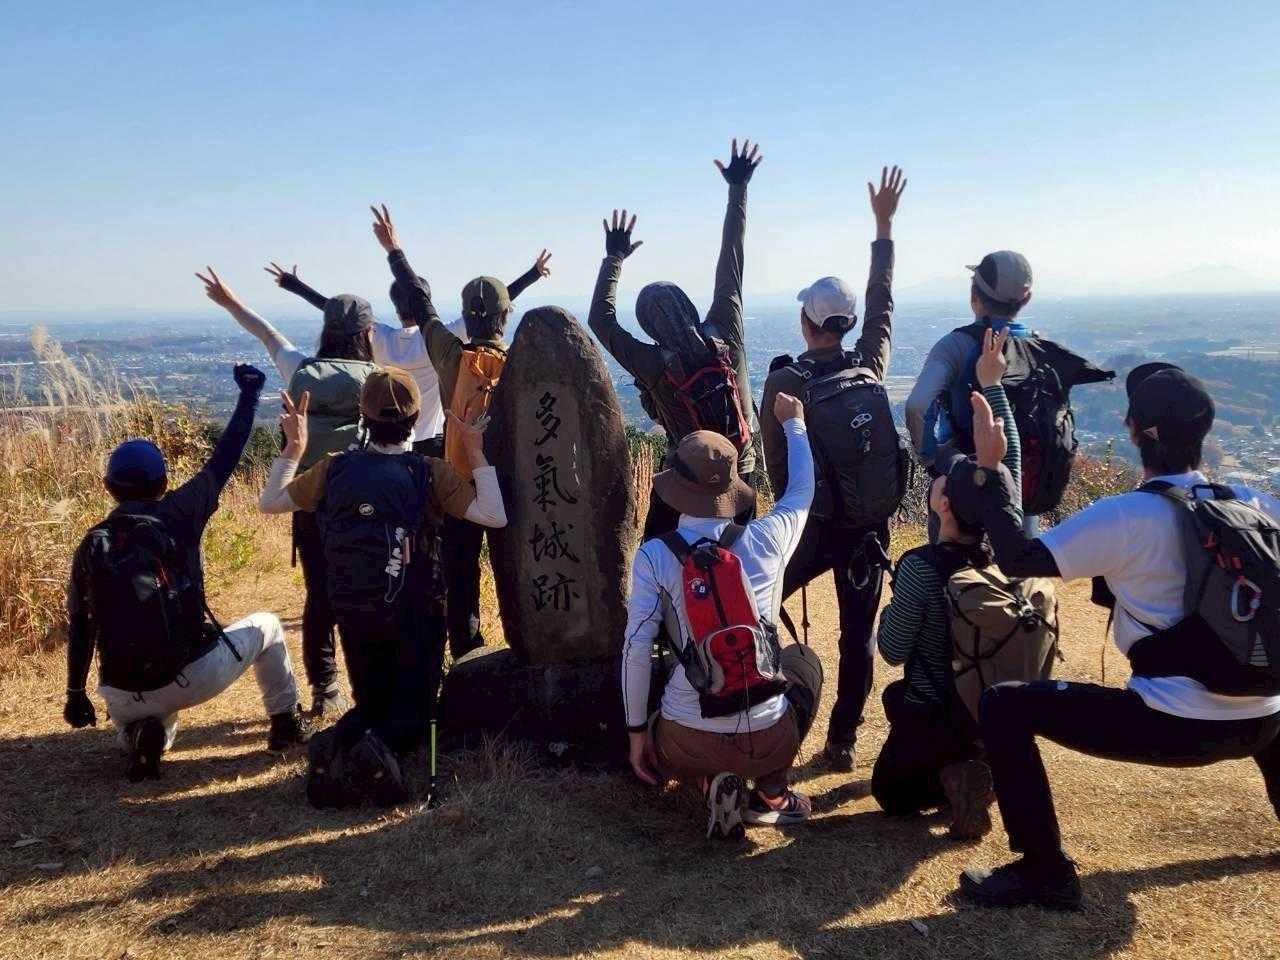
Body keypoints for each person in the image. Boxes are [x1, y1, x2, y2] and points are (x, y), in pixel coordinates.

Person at [952, 363, 1280, 910]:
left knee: (1004, 706)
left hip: (1175, 725)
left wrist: (993, 471)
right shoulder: (1257, 504)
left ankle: (1044, 872)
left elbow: (1020, 558)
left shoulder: (1128, 516)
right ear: (1204, 430)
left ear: (1134, 431)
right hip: (1266, 720)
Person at [259, 367, 507, 806]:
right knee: (415, 713)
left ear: (364, 416)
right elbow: (494, 516)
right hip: (416, 612)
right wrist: (474, 451)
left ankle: (334, 746)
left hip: (353, 611)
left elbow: (271, 502)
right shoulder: (429, 472)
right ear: (415, 419)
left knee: (371, 703)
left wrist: (295, 447)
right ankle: (377, 749)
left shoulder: (334, 468)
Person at [63, 364, 310, 782]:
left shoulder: (93, 543)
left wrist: (75, 694)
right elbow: (226, 456)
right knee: (268, 625)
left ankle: (140, 734)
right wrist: (249, 395)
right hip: (189, 674)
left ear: (109, 487)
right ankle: (286, 723)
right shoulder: (180, 512)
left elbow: (81, 624)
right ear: (163, 483)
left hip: (122, 689)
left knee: (146, 720)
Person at [621, 391, 824, 839]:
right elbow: (802, 492)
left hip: (686, 741)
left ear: (675, 488)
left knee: (668, 689)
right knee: (805, 662)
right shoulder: (769, 538)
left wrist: (637, 735)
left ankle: (706, 779)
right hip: (768, 737)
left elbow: (635, 649)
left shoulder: (655, 556)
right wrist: (795, 423)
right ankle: (772, 792)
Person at [758, 165, 906, 771]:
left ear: (807, 323)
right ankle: (843, 741)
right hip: (869, 527)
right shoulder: (869, 363)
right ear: (846, 325)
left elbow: (777, 468)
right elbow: (883, 304)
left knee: (758, 602)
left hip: (812, 526)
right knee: (856, 635)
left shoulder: (786, 381)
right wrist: (883, 227)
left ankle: (761, 710)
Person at [198, 267, 377, 717]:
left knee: (319, 596)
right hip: (363, 503)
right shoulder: (377, 378)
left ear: (326, 329)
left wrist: (229, 301)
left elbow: (266, 332)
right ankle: (369, 688)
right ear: (367, 334)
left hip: (308, 499)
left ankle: (324, 688)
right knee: (365, 593)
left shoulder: (302, 368)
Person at [872, 327, 1020, 839]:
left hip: (934, 712)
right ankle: (983, 767)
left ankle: (953, 777)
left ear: (943, 505)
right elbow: (1005, 473)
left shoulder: (921, 568)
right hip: (990, 715)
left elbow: (892, 649)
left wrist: (891, 607)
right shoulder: (1007, 557)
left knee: (891, 797)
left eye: (944, 477)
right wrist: (992, 387)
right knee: (896, 698)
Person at [366, 204, 522, 659]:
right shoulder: (519, 364)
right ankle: (521, 645)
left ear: (467, 317)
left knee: (460, 572)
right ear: (505, 316)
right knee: (513, 567)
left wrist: (394, 249)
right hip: (510, 486)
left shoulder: (451, 357)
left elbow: (421, 304)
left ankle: (466, 654)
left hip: (459, 481)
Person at [588, 139, 762, 540]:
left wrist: (614, 258)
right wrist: (738, 189)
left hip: (684, 481)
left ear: (649, 326)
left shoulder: (654, 365)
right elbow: (732, 259)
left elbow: (601, 319)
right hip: (741, 471)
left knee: (660, 556)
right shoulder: (726, 331)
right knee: (739, 561)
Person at [266, 240, 552, 456]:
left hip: (389, 439)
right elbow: (487, 310)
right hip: (435, 440)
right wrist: (533, 275)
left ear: (395, 306)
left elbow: (341, 312)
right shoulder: (439, 340)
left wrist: (296, 286)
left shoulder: (379, 338)